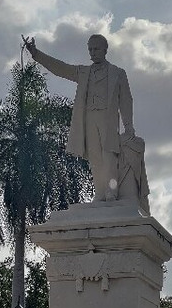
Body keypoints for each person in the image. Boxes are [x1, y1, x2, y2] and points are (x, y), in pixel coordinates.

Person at [23, 33, 135, 203]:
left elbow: (126, 100)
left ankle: (111, 192)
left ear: (105, 50)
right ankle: (100, 192)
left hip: (107, 117)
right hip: (89, 118)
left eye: (96, 49)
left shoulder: (118, 73)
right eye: (90, 49)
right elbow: (60, 68)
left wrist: (128, 125)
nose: (92, 52)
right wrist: (36, 54)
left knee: (109, 154)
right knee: (95, 157)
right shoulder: (83, 72)